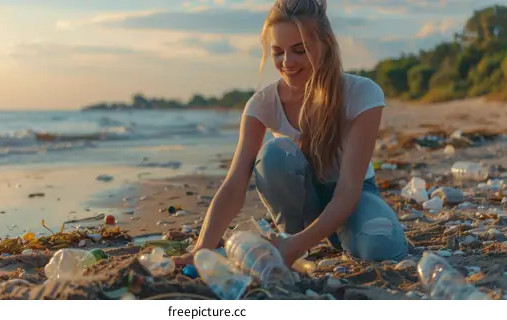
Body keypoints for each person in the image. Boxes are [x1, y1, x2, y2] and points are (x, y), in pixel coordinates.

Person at [172, 0, 408, 267]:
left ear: (326, 43)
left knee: (380, 245)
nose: (287, 62)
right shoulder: (262, 104)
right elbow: (234, 185)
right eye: (278, 52)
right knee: (274, 154)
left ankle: (329, 236)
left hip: (353, 197)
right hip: (300, 203)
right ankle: (301, 237)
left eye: (300, 50)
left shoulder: (362, 94)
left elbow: (348, 190)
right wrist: (201, 249)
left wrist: (292, 249)